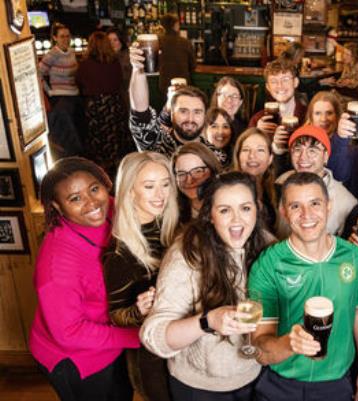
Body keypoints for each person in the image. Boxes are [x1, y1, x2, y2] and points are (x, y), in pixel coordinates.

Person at [140, 172, 273, 401]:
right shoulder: (186, 255)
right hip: (199, 387)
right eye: (224, 210)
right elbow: (153, 335)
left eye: (245, 208)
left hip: (253, 375)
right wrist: (208, 321)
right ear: (210, 215)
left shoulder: (268, 245)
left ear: (257, 209)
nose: (237, 219)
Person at [249, 172, 358, 401]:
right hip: (280, 385)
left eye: (315, 204)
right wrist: (289, 344)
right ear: (284, 212)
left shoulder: (355, 257)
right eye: (295, 206)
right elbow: (259, 348)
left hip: (336, 383)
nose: (307, 215)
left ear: (329, 207)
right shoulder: (268, 264)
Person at [30, 157, 139, 401]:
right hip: (78, 360)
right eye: (75, 198)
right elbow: (69, 332)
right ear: (57, 206)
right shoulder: (57, 267)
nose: (91, 203)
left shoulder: (110, 208)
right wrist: (136, 335)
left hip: (112, 340)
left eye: (94, 189)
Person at [102, 152, 179, 401]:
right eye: (149, 186)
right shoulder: (120, 253)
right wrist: (138, 311)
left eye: (165, 184)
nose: (160, 194)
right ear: (130, 191)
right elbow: (115, 316)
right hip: (150, 358)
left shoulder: (171, 228)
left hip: (180, 343)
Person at [275, 125, 357, 236]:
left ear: (326, 156)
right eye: (297, 150)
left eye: (312, 151)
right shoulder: (280, 183)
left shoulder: (347, 202)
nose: (303, 157)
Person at [129, 44, 208, 157]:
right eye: (183, 111)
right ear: (171, 114)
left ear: (205, 116)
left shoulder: (215, 154)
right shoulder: (157, 146)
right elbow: (140, 114)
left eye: (197, 112)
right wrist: (138, 69)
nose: (190, 119)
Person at [76, 31, 134, 179]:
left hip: (95, 106)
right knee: (116, 139)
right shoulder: (114, 63)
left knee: (99, 143)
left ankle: (102, 175)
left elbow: (80, 83)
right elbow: (120, 81)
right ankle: (120, 173)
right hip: (114, 104)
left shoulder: (85, 64)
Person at [39, 22, 84, 157]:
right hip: (60, 96)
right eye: (62, 36)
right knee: (69, 130)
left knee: (80, 126)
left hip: (74, 94)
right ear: (55, 38)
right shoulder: (52, 55)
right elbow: (38, 73)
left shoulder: (71, 52)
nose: (66, 39)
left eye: (68, 36)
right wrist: (49, 91)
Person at [248, 59, 307, 154]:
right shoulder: (257, 120)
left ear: (295, 82)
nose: (280, 85)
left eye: (285, 79)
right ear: (268, 87)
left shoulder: (308, 115)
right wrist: (257, 134)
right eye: (274, 81)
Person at [232, 128, 277, 231]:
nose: (252, 156)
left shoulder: (278, 192)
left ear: (270, 159)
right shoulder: (225, 189)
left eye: (260, 150)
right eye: (246, 150)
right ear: (238, 156)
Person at [172, 142, 222, 224]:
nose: (189, 180)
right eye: (181, 174)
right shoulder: (172, 214)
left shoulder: (227, 205)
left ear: (213, 170)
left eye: (198, 171)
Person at [158, 14, 196, 98]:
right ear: (175, 25)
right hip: (183, 84)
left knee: (168, 108)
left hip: (165, 84)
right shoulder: (185, 42)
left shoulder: (158, 42)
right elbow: (193, 66)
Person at [106, 28, 131, 97]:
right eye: (109, 40)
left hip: (126, 94)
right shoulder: (106, 57)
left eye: (115, 40)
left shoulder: (128, 56)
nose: (112, 43)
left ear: (121, 41)